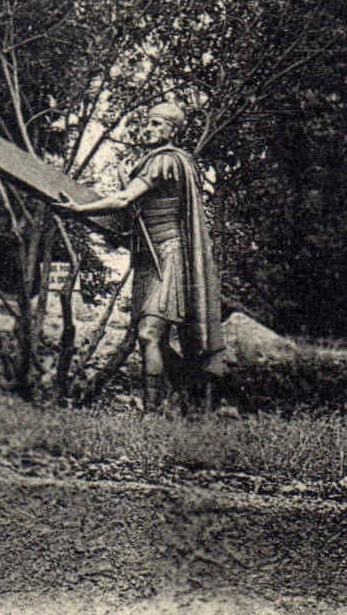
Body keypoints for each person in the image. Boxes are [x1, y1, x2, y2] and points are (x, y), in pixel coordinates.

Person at [56, 102, 225, 414]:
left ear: (172, 130)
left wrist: (79, 210)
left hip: (169, 257)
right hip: (149, 257)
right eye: (147, 123)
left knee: (149, 334)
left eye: (156, 124)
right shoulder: (162, 160)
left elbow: (124, 198)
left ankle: (152, 413)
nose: (148, 129)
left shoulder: (165, 160)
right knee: (151, 338)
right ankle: (190, 400)